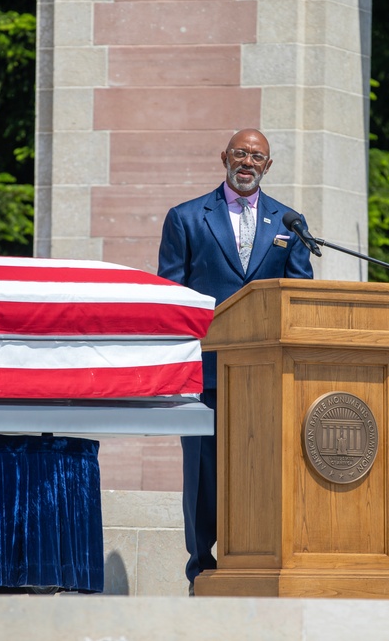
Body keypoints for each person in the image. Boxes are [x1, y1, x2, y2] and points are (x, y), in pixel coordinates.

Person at [157, 128, 314, 592]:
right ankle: (201, 573)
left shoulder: (290, 222)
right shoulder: (186, 218)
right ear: (224, 157)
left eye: (257, 156)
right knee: (204, 476)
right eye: (241, 153)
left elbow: (300, 296)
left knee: (263, 472)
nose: (248, 162)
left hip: (269, 377)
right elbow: (171, 297)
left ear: (269, 166)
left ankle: (255, 567)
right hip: (205, 373)